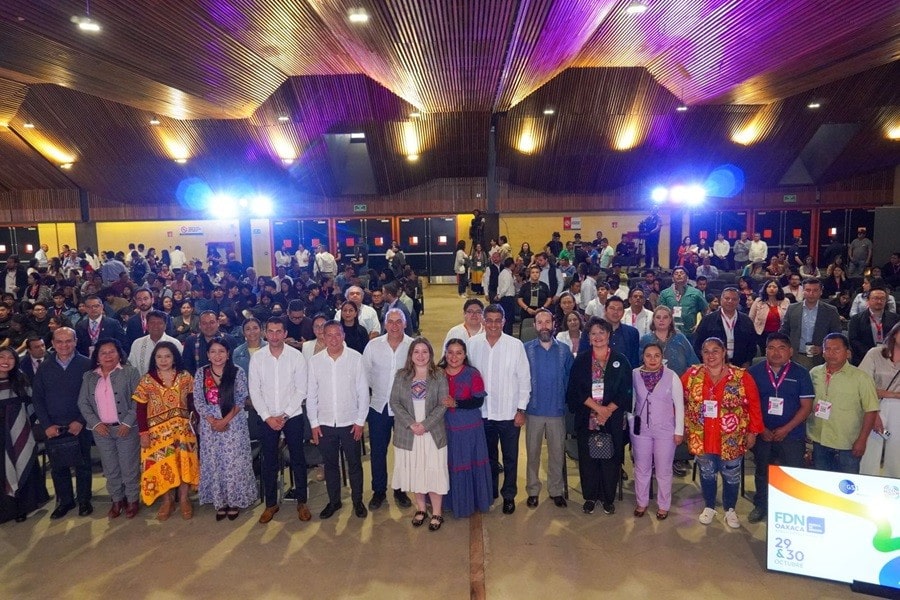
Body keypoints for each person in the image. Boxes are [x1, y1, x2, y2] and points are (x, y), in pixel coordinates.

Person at [683, 337, 763, 529]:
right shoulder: (692, 375)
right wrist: (682, 426)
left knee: (731, 475)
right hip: (702, 436)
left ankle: (730, 509)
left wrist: (753, 432)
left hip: (731, 437)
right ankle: (709, 506)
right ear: (701, 354)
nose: (710, 355)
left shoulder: (741, 376)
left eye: (715, 351)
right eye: (706, 351)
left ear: (724, 352)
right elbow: (677, 399)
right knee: (707, 473)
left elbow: (754, 405)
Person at [467, 304, 531, 514]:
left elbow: (524, 379)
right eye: (489, 320)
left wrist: (521, 409)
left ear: (504, 322)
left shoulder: (515, 345)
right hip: (483, 413)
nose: (493, 325)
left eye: (498, 321)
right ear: (483, 321)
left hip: (509, 413)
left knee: (510, 458)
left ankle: (509, 495)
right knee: (489, 458)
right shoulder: (472, 344)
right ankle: (490, 492)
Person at [745, 333, 814, 523]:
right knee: (762, 471)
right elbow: (748, 405)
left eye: (781, 348)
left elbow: (806, 407)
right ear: (765, 350)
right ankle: (761, 505)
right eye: (771, 348)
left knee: (792, 472)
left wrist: (786, 429)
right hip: (763, 433)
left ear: (790, 351)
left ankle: (791, 509)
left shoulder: (801, 373)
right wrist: (761, 429)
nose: (776, 352)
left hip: (792, 434)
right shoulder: (753, 373)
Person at [566, 317, 632, 515]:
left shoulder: (621, 360)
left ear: (608, 335)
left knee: (611, 458)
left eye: (601, 332)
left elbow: (626, 390)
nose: (597, 337)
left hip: (613, 419)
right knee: (588, 459)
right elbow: (575, 390)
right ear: (588, 337)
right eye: (593, 333)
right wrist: (597, 409)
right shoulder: (582, 360)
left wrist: (607, 410)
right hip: (587, 417)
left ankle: (607, 498)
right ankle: (590, 497)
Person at [250, 317, 312, 524]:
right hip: (266, 417)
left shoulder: (296, 357)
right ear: (265, 333)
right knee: (268, 460)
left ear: (285, 334)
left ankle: (302, 501)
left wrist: (284, 415)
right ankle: (270, 504)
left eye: (279, 331)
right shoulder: (258, 358)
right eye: (271, 331)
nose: (274, 336)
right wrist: (268, 417)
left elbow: (301, 390)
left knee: (297, 458)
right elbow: (254, 391)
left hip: (292, 415)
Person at [307, 321, 370, 519]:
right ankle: (334, 501)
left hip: (350, 422)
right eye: (329, 335)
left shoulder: (355, 358)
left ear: (343, 335)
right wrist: (314, 423)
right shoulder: (315, 361)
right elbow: (311, 395)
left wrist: (360, 421)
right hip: (325, 423)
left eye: (337, 334)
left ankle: (357, 501)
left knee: (354, 464)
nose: (333, 339)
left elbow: (363, 392)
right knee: (330, 465)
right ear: (323, 337)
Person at [31, 327, 94, 519]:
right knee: (58, 467)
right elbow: (38, 398)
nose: (64, 345)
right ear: (52, 343)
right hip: (54, 427)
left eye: (68, 341)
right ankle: (65, 501)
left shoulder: (87, 364)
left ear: (75, 342)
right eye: (59, 341)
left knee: (83, 465)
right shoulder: (44, 367)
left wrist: (81, 420)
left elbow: (93, 396)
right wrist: (47, 425)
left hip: (79, 425)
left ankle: (84, 500)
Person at [133, 341, 198, 521]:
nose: (163, 360)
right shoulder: (146, 380)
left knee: (183, 464)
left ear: (174, 358)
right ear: (154, 359)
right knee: (162, 466)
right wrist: (143, 433)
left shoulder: (185, 377)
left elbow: (193, 402)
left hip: (183, 432)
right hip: (157, 435)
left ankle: (184, 499)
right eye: (159, 356)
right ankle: (167, 501)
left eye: (167, 356)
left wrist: (197, 423)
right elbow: (140, 409)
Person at [77, 338, 143, 519]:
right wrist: (96, 424)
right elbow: (83, 403)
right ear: (97, 357)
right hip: (102, 431)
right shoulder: (89, 376)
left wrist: (127, 423)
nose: (108, 356)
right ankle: (117, 499)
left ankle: (132, 499)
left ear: (119, 354)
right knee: (110, 468)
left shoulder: (130, 372)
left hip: (126, 429)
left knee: (129, 467)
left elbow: (139, 400)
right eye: (103, 353)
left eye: (112, 351)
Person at [193, 336, 256, 520]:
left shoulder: (237, 372)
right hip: (210, 426)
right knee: (214, 461)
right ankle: (220, 501)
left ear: (228, 354)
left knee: (233, 462)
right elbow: (198, 400)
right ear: (207, 355)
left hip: (233, 423)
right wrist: (213, 421)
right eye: (213, 352)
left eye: (221, 351)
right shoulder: (201, 373)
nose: (217, 355)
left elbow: (240, 399)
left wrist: (224, 421)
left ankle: (235, 500)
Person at [389, 338, 449, 531]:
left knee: (433, 470)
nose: (421, 356)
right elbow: (394, 402)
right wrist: (411, 424)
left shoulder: (439, 375)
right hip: (409, 433)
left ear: (430, 354)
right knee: (415, 470)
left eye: (425, 351)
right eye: (416, 351)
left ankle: (437, 512)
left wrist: (425, 425)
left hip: (432, 433)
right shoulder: (402, 375)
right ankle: (421, 508)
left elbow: (443, 404)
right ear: (411, 355)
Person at [363, 308, 414, 510]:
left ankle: (400, 490)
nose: (394, 326)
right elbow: (365, 375)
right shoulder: (373, 346)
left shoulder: (413, 346)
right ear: (385, 324)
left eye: (398, 321)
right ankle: (379, 491)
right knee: (378, 451)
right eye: (390, 321)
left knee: (402, 451)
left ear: (405, 324)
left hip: (404, 409)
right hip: (379, 407)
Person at [807, 333, 879, 474]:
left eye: (836, 349)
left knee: (847, 484)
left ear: (847, 353)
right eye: (827, 349)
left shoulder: (861, 378)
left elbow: (871, 410)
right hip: (819, 439)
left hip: (847, 444)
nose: (831, 353)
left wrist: (862, 440)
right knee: (822, 482)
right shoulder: (814, 373)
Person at [524, 309, 573, 508]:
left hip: (556, 411)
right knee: (532, 453)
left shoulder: (564, 350)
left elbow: (571, 378)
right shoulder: (525, 350)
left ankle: (556, 490)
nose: (544, 326)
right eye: (540, 322)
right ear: (534, 326)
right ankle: (533, 490)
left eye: (547, 322)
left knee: (557, 453)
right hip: (533, 410)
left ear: (554, 324)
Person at [439, 338, 493, 518]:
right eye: (450, 352)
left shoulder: (472, 374)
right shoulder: (437, 373)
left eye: (458, 353)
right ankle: (448, 502)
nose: (454, 357)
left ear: (464, 355)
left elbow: (478, 401)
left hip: (469, 429)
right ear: (445, 354)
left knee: (468, 463)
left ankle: (472, 502)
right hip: (445, 428)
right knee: (449, 463)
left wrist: (455, 402)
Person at [629, 343, 683, 520]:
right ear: (643, 357)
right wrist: (630, 421)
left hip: (665, 430)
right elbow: (631, 400)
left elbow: (679, 405)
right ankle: (641, 502)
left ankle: (663, 505)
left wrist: (679, 430)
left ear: (662, 357)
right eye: (648, 355)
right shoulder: (634, 374)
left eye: (656, 355)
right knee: (641, 467)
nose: (652, 359)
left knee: (663, 469)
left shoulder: (672, 376)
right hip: (641, 430)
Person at [0, 347, 50, 523]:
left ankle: (23, 507)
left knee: (22, 463)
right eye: (1, 357)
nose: (6, 361)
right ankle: (7, 510)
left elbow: (32, 405)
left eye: (10, 358)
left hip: (20, 433)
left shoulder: (21, 379)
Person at [858, 323, 900, 478]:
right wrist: (874, 413)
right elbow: (862, 385)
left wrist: (886, 394)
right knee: (870, 452)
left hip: (898, 411)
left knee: (896, 453)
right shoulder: (875, 353)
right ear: (894, 334)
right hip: (873, 405)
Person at [778, 278, 843, 369]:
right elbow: (784, 332)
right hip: (795, 356)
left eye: (815, 290)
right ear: (803, 291)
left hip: (821, 358)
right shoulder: (792, 309)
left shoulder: (830, 311)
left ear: (821, 292)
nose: (811, 293)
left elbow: (836, 335)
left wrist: (823, 348)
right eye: (808, 290)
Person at [693, 288, 757, 368]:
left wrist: (747, 362)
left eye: (734, 299)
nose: (730, 301)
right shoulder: (708, 320)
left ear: (738, 301)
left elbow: (752, 345)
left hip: (740, 365)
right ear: (721, 299)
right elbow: (698, 344)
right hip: (713, 364)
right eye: (727, 298)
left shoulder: (746, 321)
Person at [848, 284, 899, 366]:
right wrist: (872, 355)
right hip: (863, 360)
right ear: (868, 300)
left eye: (882, 299)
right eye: (875, 298)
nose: (879, 301)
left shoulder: (895, 318)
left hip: (889, 360)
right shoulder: (856, 319)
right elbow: (853, 340)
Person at [127, 310, 183, 375]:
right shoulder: (137, 344)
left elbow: (180, 367)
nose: (156, 326)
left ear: (165, 326)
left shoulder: (175, 343)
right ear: (147, 326)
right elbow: (132, 368)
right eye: (152, 323)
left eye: (160, 323)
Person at [658, 267, 707, 338]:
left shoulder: (696, 292)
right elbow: (660, 312)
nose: (679, 275)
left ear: (687, 278)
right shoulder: (665, 293)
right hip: (669, 333)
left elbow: (706, 311)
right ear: (672, 278)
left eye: (681, 273)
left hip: (690, 332)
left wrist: (699, 324)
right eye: (676, 273)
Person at [749, 279, 791, 356]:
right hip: (761, 333)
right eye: (769, 286)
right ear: (765, 288)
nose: (772, 289)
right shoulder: (759, 301)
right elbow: (751, 318)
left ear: (779, 289)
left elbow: (788, 318)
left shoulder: (785, 301)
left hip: (779, 334)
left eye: (774, 287)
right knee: (763, 354)